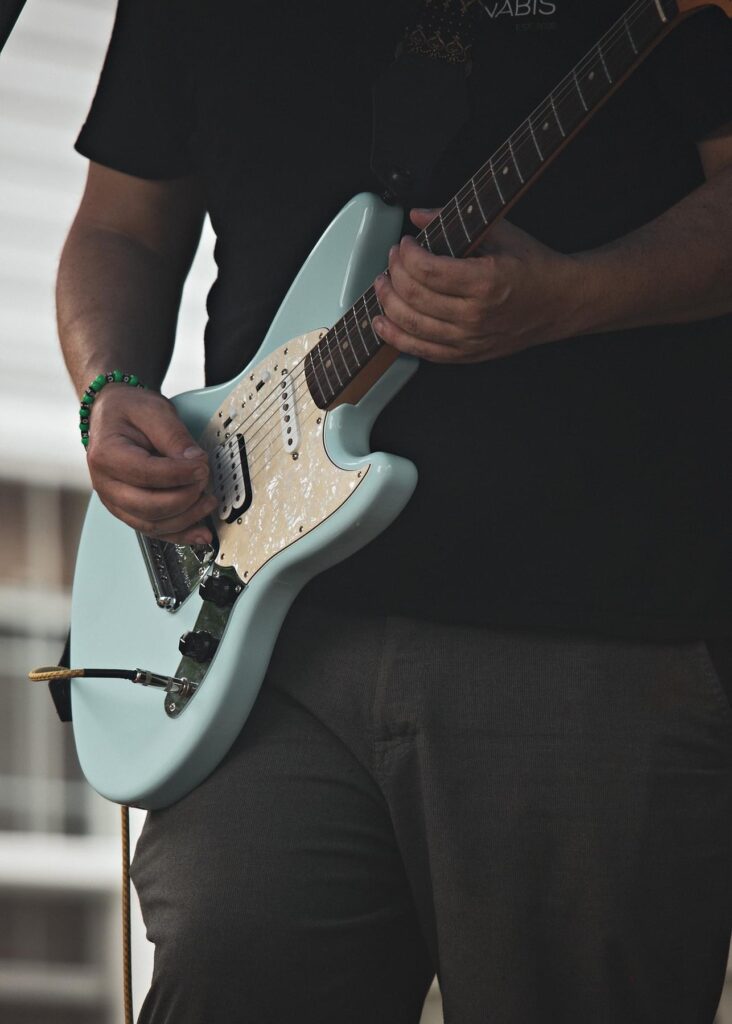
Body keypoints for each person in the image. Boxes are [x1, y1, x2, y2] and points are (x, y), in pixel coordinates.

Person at [57, 1, 732, 1020]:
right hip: (255, 636)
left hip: (591, 621)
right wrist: (108, 387)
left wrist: (572, 295)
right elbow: (119, 226)